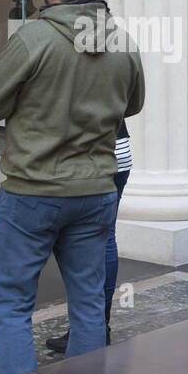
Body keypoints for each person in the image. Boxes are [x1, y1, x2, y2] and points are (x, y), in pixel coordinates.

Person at [0, 0, 145, 374]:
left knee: (11, 309)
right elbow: (133, 104)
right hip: (94, 193)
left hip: (31, 193)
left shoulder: (34, 37)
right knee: (89, 308)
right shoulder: (120, 39)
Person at [46, 119, 132, 353]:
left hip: (91, 154)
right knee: (107, 238)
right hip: (119, 148)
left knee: (80, 242)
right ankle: (99, 326)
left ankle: (89, 328)